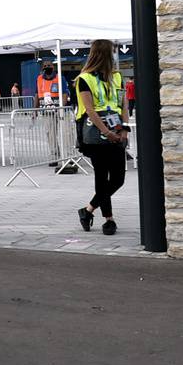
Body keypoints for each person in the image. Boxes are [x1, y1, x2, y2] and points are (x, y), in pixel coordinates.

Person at [74, 39, 129, 235]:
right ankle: (109, 220)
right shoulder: (84, 79)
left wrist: (124, 129)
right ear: (104, 54)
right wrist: (107, 132)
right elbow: (89, 110)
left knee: (118, 179)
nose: (115, 56)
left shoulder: (117, 77)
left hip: (116, 129)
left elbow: (123, 106)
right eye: (113, 53)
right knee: (101, 177)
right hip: (95, 134)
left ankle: (88, 210)